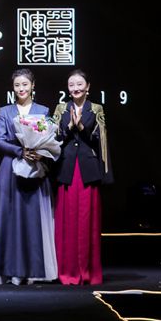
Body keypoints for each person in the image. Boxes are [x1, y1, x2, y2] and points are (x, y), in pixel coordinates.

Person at [0, 69, 57, 285]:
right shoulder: (5, 111)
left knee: (32, 219)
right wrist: (20, 151)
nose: (21, 89)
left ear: (33, 85)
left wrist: (40, 152)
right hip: (11, 168)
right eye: (17, 85)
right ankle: (11, 270)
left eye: (25, 84)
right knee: (10, 219)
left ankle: (33, 270)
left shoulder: (43, 110)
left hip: (35, 168)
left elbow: (50, 138)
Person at [52, 69, 113, 285]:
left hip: (88, 169)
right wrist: (70, 127)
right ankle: (66, 271)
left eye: (79, 84)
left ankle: (88, 272)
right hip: (67, 168)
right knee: (67, 220)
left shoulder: (96, 109)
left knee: (88, 220)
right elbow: (54, 139)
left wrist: (82, 126)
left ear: (88, 87)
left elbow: (100, 140)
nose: (75, 88)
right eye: (72, 85)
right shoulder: (61, 108)